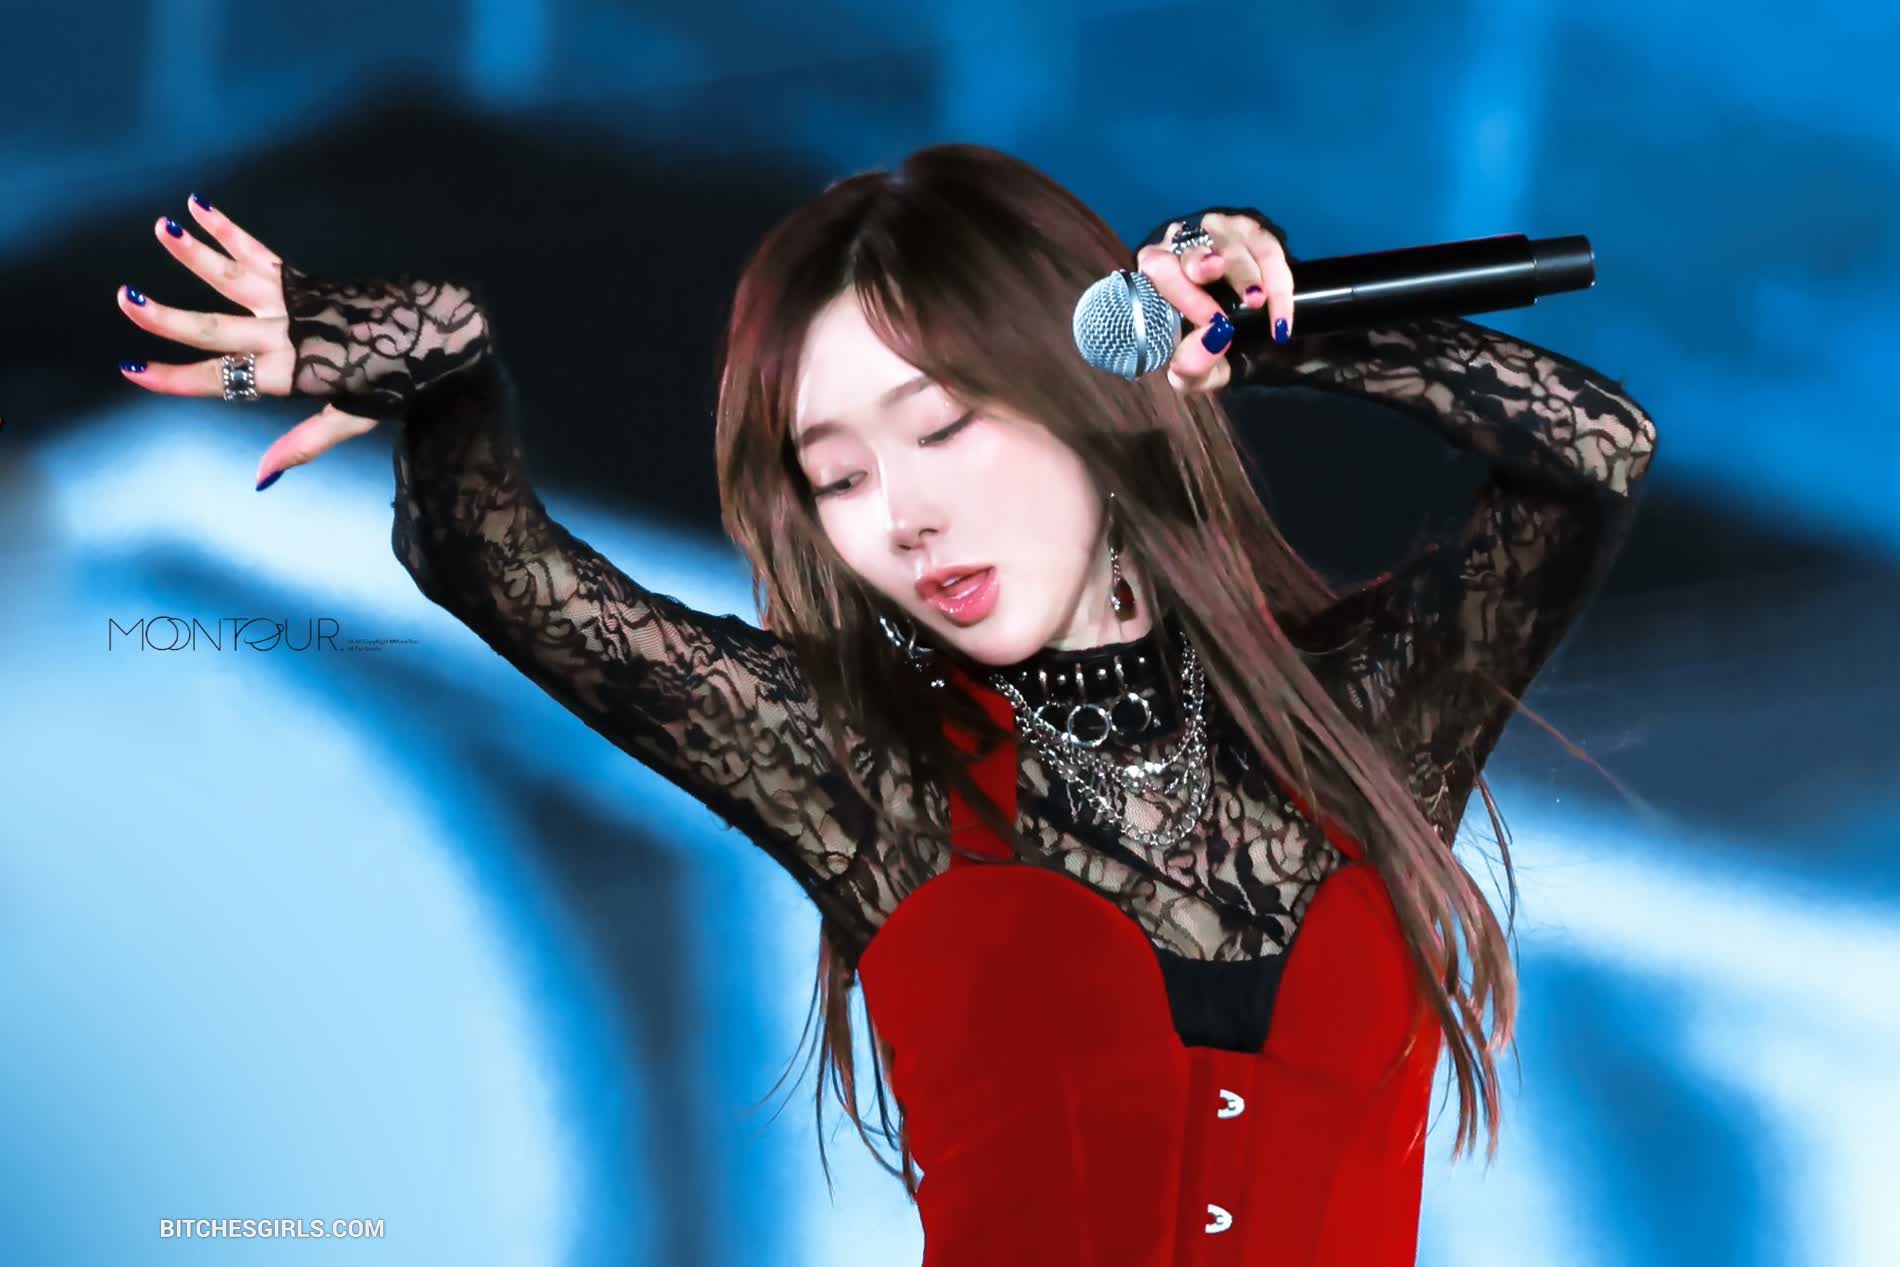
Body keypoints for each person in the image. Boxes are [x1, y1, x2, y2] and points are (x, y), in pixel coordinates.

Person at [115, 144, 1657, 1266]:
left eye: (945, 427)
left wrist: (1274, 334)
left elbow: (1592, 451)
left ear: (1092, 397)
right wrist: (442, 360)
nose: (904, 517)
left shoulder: (1362, 720)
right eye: (837, 476)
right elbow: (490, 560)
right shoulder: (861, 763)